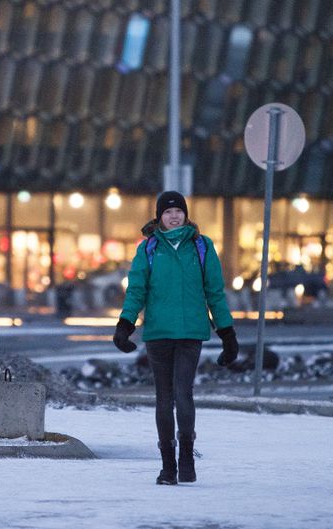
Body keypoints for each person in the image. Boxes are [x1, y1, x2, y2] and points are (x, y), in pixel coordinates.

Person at [112, 190, 239, 486]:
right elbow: (137, 290)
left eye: (178, 211)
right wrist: (125, 324)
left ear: (186, 213)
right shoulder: (148, 248)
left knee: (183, 394)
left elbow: (215, 293)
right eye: (167, 212)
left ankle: (187, 459)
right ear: (159, 216)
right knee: (163, 398)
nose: (173, 216)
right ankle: (168, 465)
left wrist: (227, 333)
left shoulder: (202, 246)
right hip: (158, 333)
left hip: (191, 333)